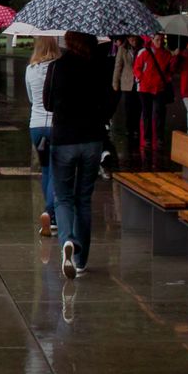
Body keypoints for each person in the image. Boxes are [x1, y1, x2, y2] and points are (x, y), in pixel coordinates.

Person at [44, 31, 115, 279]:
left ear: (69, 42)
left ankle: (68, 240)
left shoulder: (56, 67)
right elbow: (109, 104)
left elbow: (48, 103)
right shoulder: (100, 68)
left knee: (63, 198)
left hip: (63, 139)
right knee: (84, 199)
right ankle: (81, 260)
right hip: (92, 140)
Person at [25, 36, 61, 237]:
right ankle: (51, 213)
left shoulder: (30, 70)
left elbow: (31, 97)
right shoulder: (58, 68)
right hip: (56, 125)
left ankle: (49, 211)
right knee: (56, 169)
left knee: (46, 169)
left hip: (36, 126)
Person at [133, 33, 173, 150]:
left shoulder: (166, 54)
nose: (159, 42)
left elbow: (169, 70)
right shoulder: (144, 52)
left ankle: (159, 137)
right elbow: (136, 68)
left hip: (159, 87)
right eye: (157, 40)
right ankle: (147, 138)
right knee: (147, 113)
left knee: (160, 112)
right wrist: (142, 79)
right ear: (152, 40)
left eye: (161, 40)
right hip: (145, 88)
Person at [112, 35, 142, 143]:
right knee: (129, 107)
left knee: (138, 107)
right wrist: (115, 82)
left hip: (139, 82)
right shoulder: (123, 49)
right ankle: (130, 128)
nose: (133, 41)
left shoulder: (142, 48)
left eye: (134, 38)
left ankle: (136, 129)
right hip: (127, 82)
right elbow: (118, 66)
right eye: (130, 39)